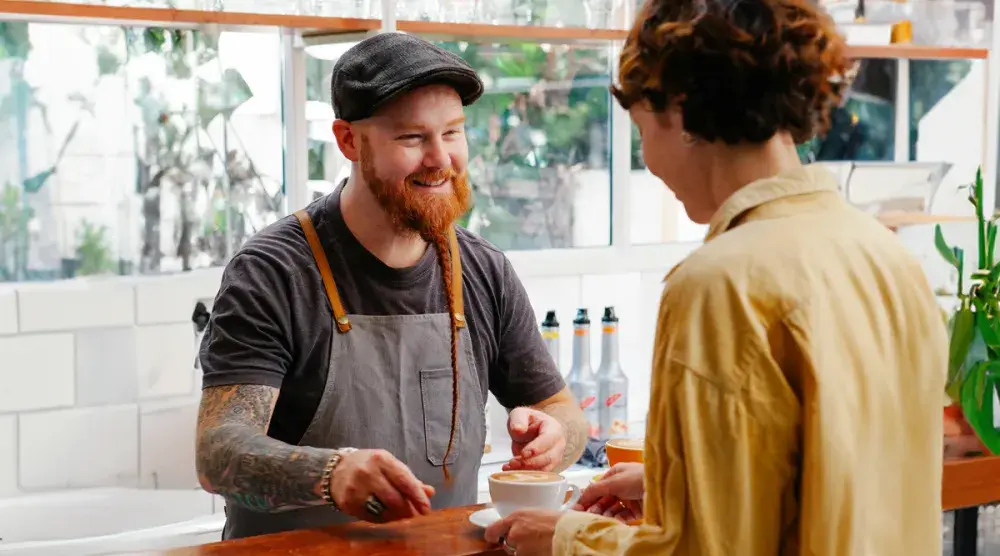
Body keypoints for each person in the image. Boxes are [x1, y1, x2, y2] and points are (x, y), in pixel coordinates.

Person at [485, 0, 948, 554]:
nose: (647, 162)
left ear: (678, 111)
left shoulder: (717, 285)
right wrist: (670, 486)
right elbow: (841, 476)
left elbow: (704, 549)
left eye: (640, 129)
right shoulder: (885, 257)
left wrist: (565, 536)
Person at [194, 32, 587, 541]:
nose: (441, 159)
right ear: (348, 140)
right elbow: (218, 451)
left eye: (452, 133)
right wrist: (330, 474)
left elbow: (563, 412)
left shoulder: (483, 271)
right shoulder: (274, 272)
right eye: (412, 138)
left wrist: (557, 437)